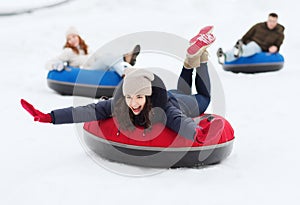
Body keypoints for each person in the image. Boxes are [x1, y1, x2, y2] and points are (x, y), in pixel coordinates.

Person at [22, 26, 224, 144]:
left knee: (204, 98)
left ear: (147, 95)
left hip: (184, 104)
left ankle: (201, 58)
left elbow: (181, 123)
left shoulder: (164, 108)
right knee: (181, 90)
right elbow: (86, 110)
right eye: (129, 97)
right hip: (174, 93)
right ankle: (190, 59)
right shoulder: (120, 104)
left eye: (138, 97)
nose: (133, 103)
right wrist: (50, 117)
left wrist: (199, 135)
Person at [45, 26, 141, 77]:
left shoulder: (85, 49)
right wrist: (55, 65)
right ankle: (125, 58)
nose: (72, 40)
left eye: (74, 36)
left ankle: (125, 72)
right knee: (105, 59)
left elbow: (97, 56)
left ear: (78, 37)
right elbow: (50, 62)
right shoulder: (68, 51)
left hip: (96, 67)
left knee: (108, 58)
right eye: (69, 39)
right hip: (87, 71)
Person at [217, 13, 285, 64]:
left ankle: (240, 51)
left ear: (276, 22)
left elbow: (278, 45)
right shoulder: (258, 26)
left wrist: (275, 48)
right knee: (238, 48)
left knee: (252, 47)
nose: (271, 23)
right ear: (267, 20)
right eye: (270, 21)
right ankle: (224, 56)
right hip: (248, 43)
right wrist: (240, 42)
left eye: (274, 21)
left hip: (259, 47)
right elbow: (247, 35)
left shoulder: (279, 33)